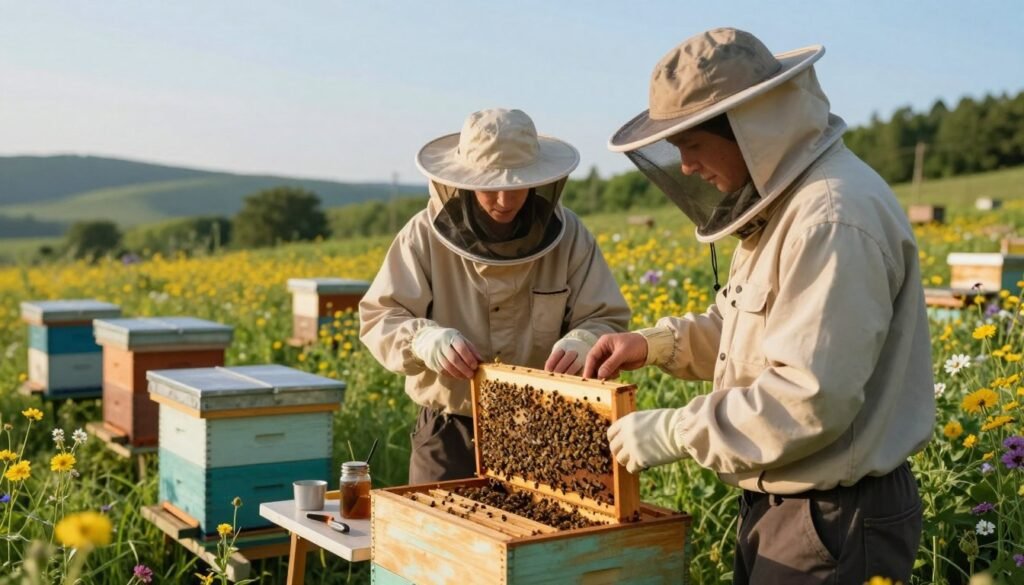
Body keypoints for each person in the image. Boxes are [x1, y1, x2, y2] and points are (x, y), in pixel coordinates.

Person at [584, 28, 934, 583]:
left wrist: (678, 430)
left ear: (750, 132)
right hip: (794, 510)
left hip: (835, 518)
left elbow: (810, 395)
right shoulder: (789, 207)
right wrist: (653, 344)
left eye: (692, 145)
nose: (686, 168)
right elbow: (748, 327)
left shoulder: (829, 218)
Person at [361, 108, 630, 484]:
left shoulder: (570, 237)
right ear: (467, 180)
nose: (505, 199)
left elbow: (606, 317)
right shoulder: (421, 236)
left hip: (546, 429)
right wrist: (423, 340)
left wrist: (586, 339)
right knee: (440, 540)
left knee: (539, 541)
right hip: (449, 430)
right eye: (491, 186)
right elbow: (380, 316)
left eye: (518, 184)